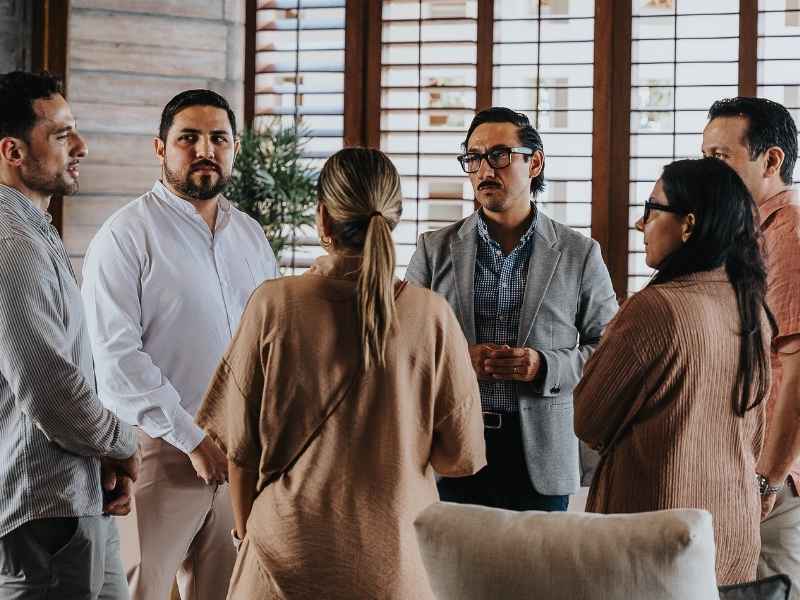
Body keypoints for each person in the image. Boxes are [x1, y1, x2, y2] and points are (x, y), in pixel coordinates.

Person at [195, 147, 486, 599]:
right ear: (393, 219)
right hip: (394, 565)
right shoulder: (431, 316)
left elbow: (239, 451)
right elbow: (459, 457)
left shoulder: (273, 306)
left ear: (323, 220)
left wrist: (244, 534)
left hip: (282, 556)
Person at [81, 89, 278, 600]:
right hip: (152, 455)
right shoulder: (125, 236)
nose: (204, 149)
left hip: (237, 456)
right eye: (188, 137)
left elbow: (267, 345)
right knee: (136, 591)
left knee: (225, 592)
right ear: (160, 148)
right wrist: (191, 438)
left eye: (218, 138)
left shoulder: (252, 236)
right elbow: (116, 360)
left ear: (234, 148)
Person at [405, 106, 617, 511]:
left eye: (499, 155)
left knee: (539, 574)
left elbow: (607, 352)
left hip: (539, 452)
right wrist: (456, 360)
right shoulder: (434, 249)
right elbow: (401, 343)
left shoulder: (579, 254)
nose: (485, 169)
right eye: (474, 157)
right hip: (452, 447)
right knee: (451, 573)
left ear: (534, 162)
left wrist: (545, 366)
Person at [574, 157, 772, 585]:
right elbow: (755, 430)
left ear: (688, 224)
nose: (639, 224)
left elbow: (588, 420)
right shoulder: (750, 305)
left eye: (651, 208)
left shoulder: (654, 308)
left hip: (658, 532)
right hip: (733, 527)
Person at [0, 70, 139, 598]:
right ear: (14, 151)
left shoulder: (35, 230)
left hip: (79, 499)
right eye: (60, 135)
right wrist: (123, 442)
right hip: (42, 513)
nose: (80, 146)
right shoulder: (10, 242)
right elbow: (48, 387)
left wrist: (105, 457)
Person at [702, 97, 800, 595]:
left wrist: (768, 479)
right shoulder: (744, 233)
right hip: (738, 467)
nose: (709, 171)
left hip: (774, 479)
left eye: (721, 158)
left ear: (772, 160)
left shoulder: (790, 234)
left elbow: (797, 371)